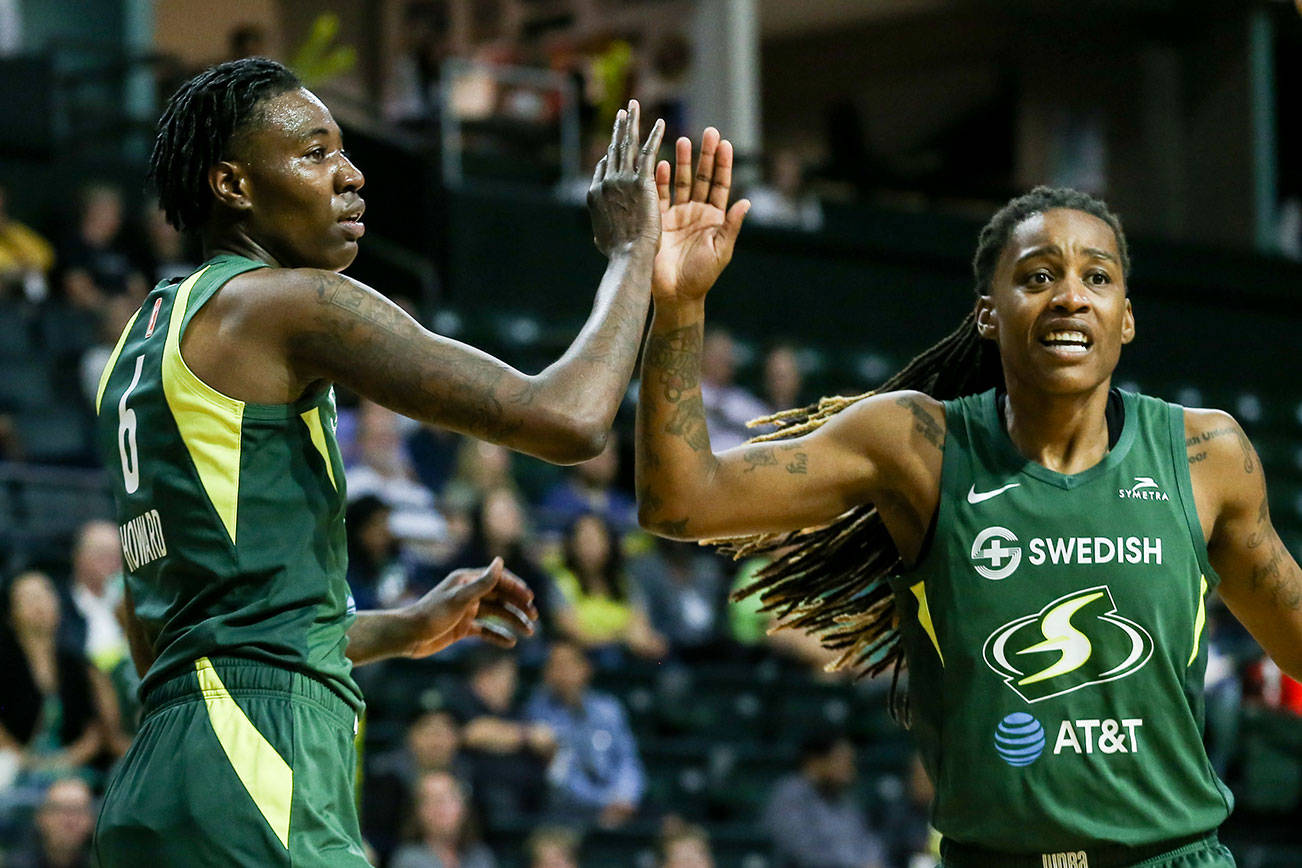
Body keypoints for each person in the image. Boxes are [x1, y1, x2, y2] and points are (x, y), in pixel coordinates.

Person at [635, 126, 1301, 865]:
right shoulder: (915, 446)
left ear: (1128, 318)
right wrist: (678, 305)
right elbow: (682, 501)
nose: (1071, 297)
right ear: (990, 312)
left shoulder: (1206, 456)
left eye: (1098, 278)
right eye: (1039, 276)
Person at [91, 56, 664, 865]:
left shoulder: (142, 345)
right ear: (231, 184)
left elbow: (181, 636)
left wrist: (403, 627)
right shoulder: (288, 304)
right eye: (316, 152)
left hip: (159, 778)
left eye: (344, 152)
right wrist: (633, 252)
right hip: (260, 766)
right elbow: (569, 420)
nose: (352, 175)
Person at [524, 639, 645, 829]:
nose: (563, 673)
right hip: (571, 812)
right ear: (547, 673)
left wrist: (625, 797)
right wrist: (604, 803)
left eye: (570, 664)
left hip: (620, 803)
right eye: (556, 666)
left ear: (586, 669)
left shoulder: (609, 708)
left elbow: (627, 760)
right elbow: (560, 778)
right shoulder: (538, 714)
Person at [760, 734, 886, 868]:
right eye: (843, 761)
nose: (850, 771)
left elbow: (868, 841)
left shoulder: (845, 798)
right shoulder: (789, 796)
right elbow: (802, 851)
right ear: (815, 762)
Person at [389, 770, 497, 868]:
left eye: (449, 797)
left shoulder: (481, 857)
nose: (441, 807)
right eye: (430, 800)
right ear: (417, 812)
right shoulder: (407, 860)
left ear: (464, 807)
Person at [7, 776, 96, 868]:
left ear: (91, 820)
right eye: (59, 810)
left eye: (79, 810)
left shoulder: (102, 862)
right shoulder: (17, 863)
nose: (70, 821)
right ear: (41, 818)